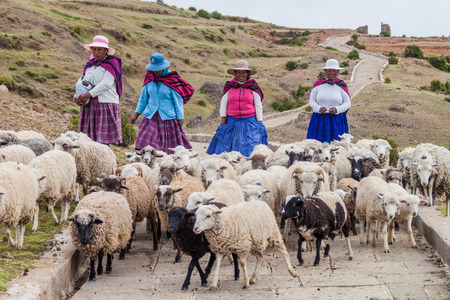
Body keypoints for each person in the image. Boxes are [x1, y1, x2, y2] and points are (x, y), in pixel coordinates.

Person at [130, 52, 195, 154]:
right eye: (153, 69)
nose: (155, 71)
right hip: (151, 117)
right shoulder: (149, 80)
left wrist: (180, 117)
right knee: (147, 143)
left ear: (163, 67)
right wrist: (136, 115)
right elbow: (143, 100)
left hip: (168, 118)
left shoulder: (171, 80)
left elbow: (178, 102)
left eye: (157, 69)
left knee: (170, 149)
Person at [206, 60, 267, 157]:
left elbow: (258, 105)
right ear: (235, 73)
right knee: (225, 147)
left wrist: (259, 121)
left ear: (247, 74)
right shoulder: (230, 86)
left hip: (249, 122)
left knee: (249, 147)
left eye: (243, 72)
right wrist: (223, 118)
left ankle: (247, 167)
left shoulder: (253, 86)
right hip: (231, 121)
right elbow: (224, 103)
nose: (241, 75)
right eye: (238, 72)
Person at [74, 35, 123, 145]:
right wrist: (77, 97)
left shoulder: (112, 63)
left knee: (102, 142)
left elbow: (106, 83)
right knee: (87, 140)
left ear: (106, 50)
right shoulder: (90, 64)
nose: (96, 52)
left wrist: (88, 95)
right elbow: (82, 82)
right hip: (90, 104)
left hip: (105, 104)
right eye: (94, 49)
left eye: (99, 49)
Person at [306, 58, 351, 143]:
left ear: (337, 72)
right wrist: (318, 108)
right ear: (325, 71)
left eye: (334, 71)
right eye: (329, 71)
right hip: (320, 119)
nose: (331, 73)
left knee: (337, 145)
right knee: (316, 144)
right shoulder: (318, 84)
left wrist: (337, 109)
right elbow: (312, 100)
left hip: (336, 119)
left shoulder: (341, 85)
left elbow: (347, 102)